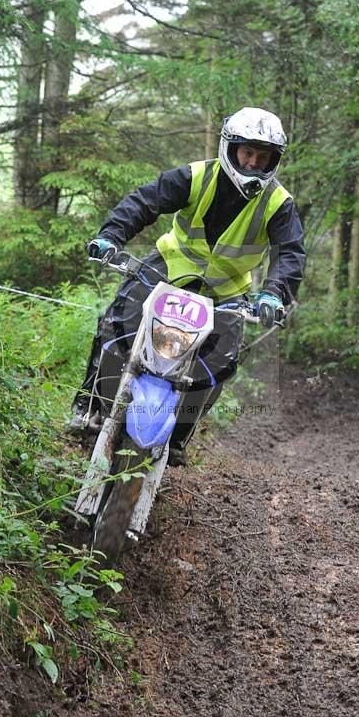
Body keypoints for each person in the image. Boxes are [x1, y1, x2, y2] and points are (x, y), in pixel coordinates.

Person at [68, 107, 305, 466]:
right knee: (116, 322)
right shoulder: (197, 176)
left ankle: (178, 437)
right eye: (247, 153)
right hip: (170, 267)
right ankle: (88, 405)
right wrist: (110, 237)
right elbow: (144, 201)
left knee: (220, 360)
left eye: (263, 157)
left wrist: (273, 293)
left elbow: (289, 252)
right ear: (231, 148)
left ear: (274, 160)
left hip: (226, 289)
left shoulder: (278, 203)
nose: (254, 163)